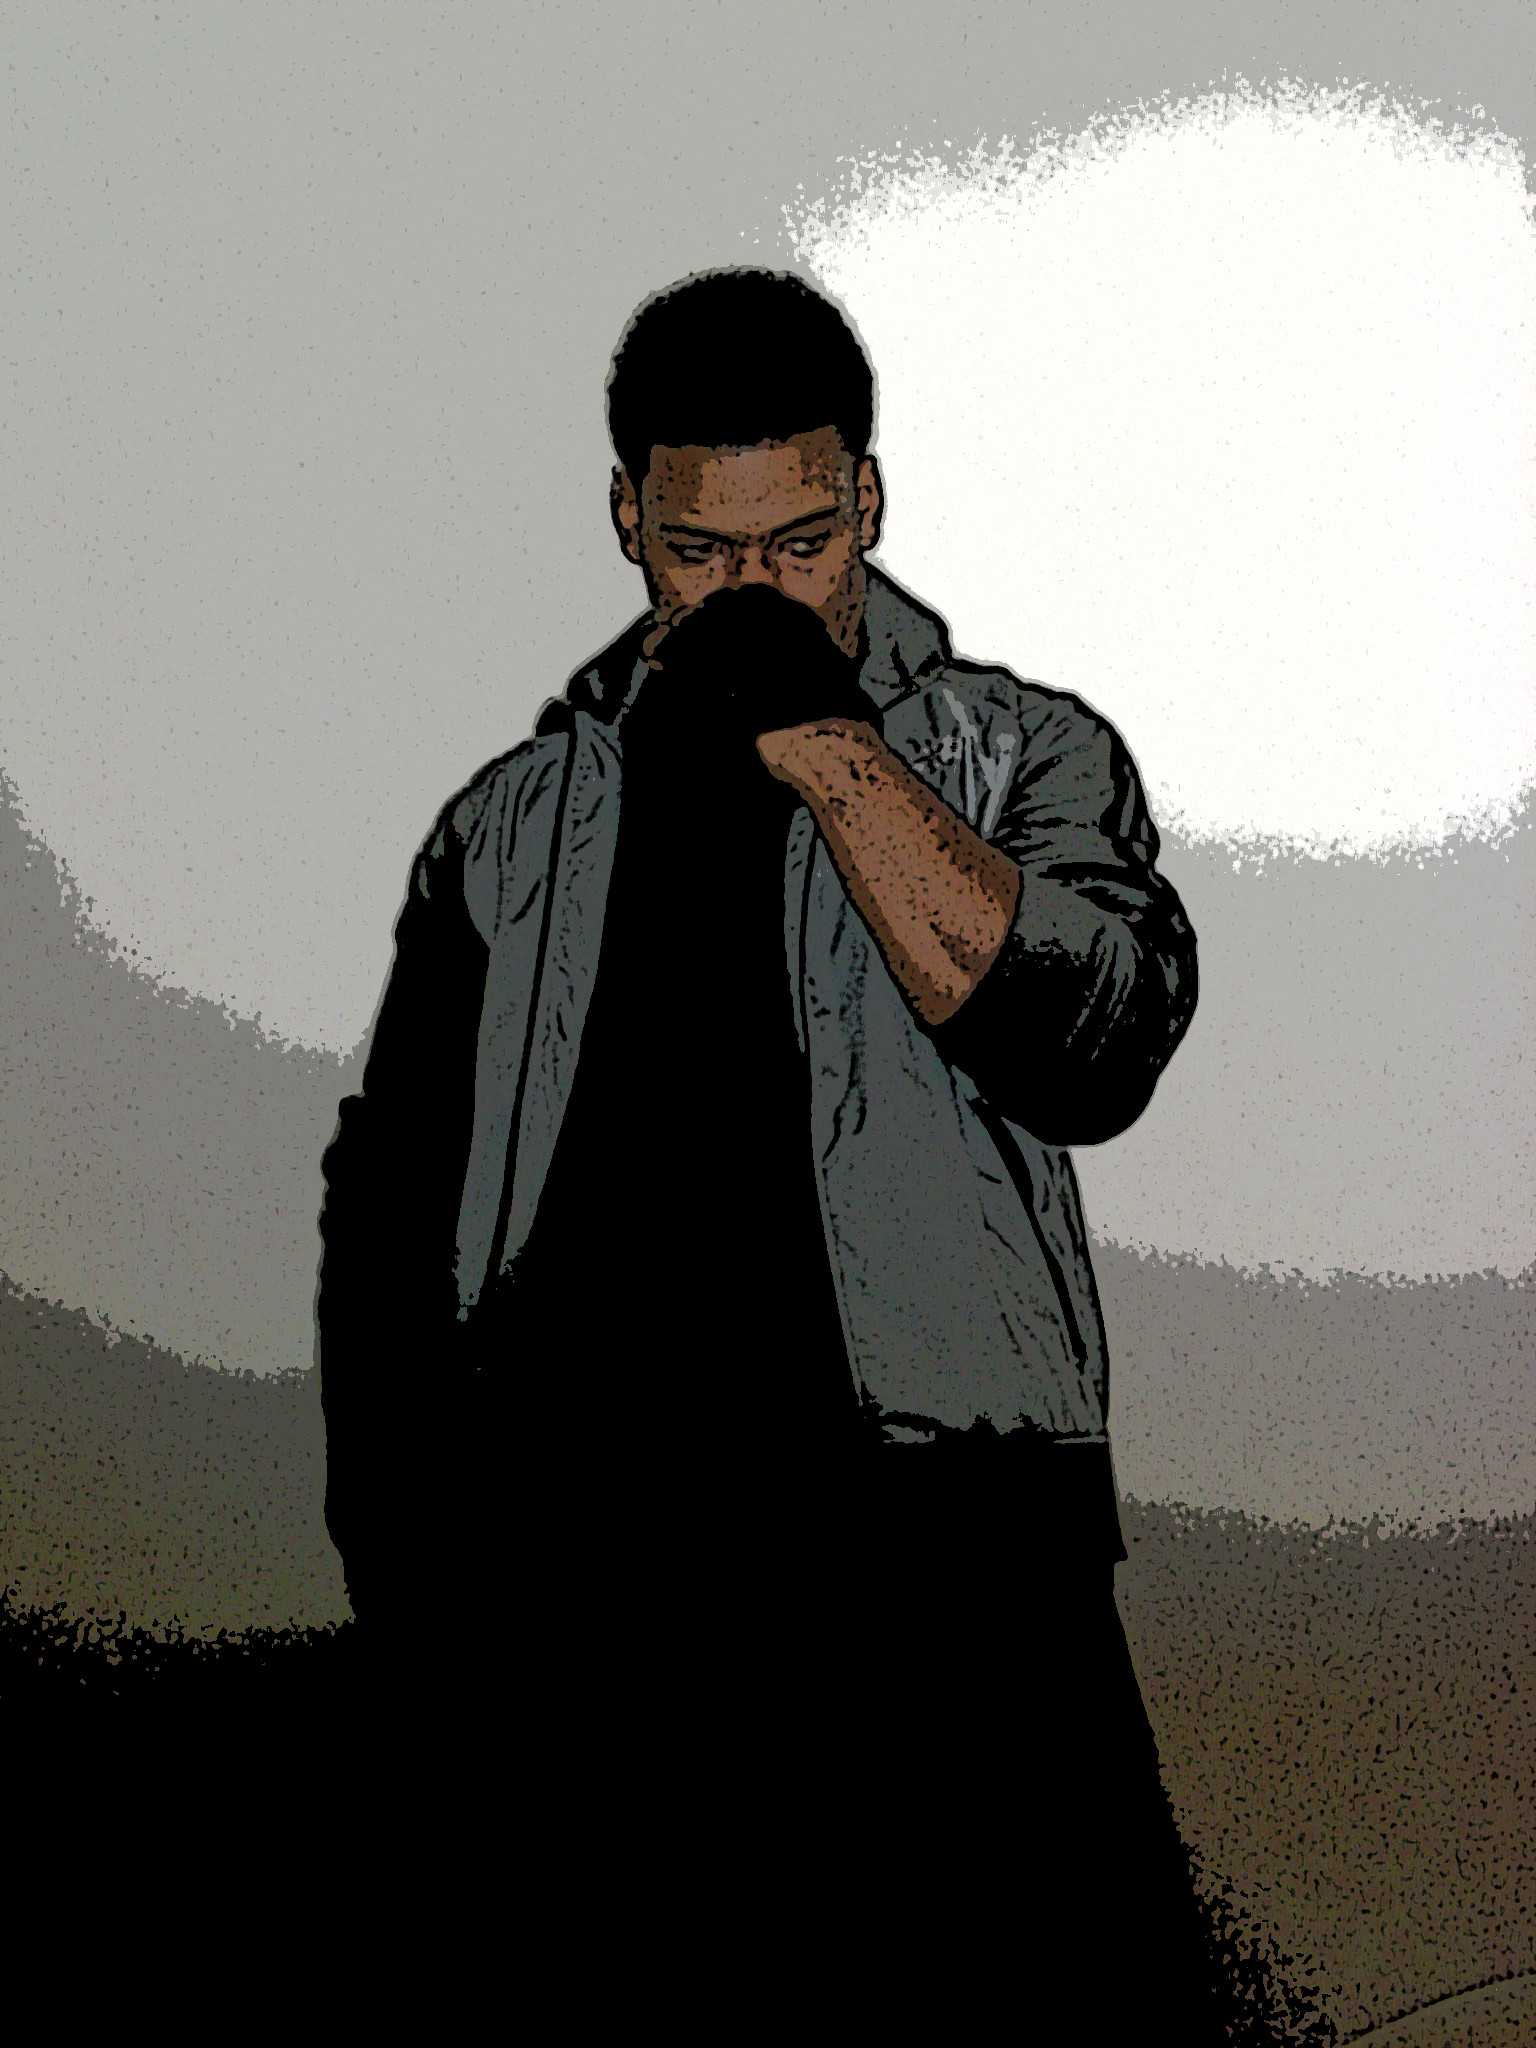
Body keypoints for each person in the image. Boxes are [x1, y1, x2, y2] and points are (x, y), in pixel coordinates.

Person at [317, 266, 1219, 2030]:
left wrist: (827, 746)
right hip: (582, 1573)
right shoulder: (513, 823)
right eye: (699, 553)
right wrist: (406, 1535)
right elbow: (391, 1190)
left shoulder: (1018, 752)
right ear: (627, 522)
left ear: (866, 501)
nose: (749, 590)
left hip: (942, 1553)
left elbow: (1096, 1050)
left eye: (799, 544)